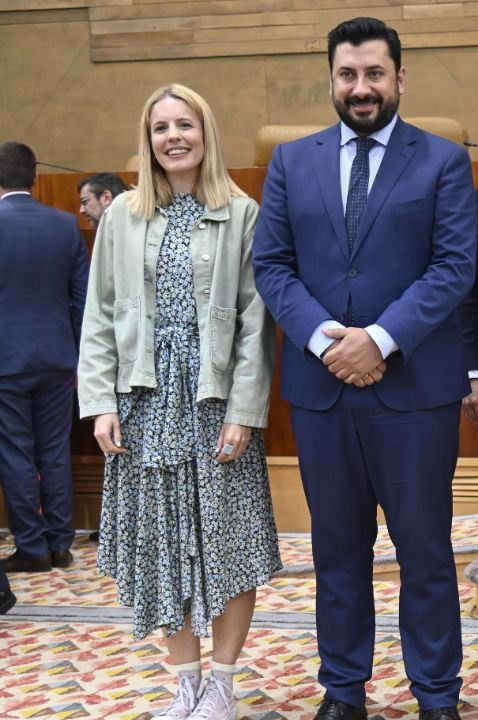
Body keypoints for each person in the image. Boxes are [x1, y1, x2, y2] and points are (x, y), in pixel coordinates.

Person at [252, 17, 477, 720]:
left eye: (375, 74)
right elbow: (272, 266)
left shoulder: (443, 160)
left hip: (414, 395)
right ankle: (343, 692)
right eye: (348, 74)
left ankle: (437, 695)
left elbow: (453, 268)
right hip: (323, 396)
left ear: (400, 78)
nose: (361, 88)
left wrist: (379, 340)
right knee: (337, 555)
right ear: (331, 79)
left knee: (427, 556)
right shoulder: (292, 161)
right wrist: (327, 342)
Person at [77, 84, 279, 720]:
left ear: (206, 131)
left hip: (215, 402)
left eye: (184, 124)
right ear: (148, 139)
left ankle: (222, 682)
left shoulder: (243, 213)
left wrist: (245, 410)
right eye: (161, 126)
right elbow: (100, 316)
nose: (173, 137)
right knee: (161, 544)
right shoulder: (121, 216)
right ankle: (185, 682)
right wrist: (100, 402)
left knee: (229, 541)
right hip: (145, 403)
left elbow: (255, 320)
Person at [0, 140, 88, 574]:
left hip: (5, 362)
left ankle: (32, 548)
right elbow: (81, 301)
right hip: (59, 357)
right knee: (55, 450)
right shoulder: (67, 225)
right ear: (34, 177)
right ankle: (61, 544)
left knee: (16, 452)